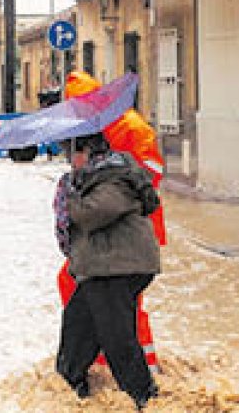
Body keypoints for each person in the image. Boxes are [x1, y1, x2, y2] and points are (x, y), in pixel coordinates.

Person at [60, 71, 166, 370]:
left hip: (128, 225)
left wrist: (112, 174)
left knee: (119, 299)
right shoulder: (92, 130)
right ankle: (96, 356)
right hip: (104, 227)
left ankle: (139, 362)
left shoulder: (129, 127)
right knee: (81, 285)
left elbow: (150, 172)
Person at [54, 132, 161, 408]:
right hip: (99, 267)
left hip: (118, 266)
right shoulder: (94, 177)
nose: (70, 161)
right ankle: (69, 382)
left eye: (72, 154)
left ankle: (144, 396)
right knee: (79, 325)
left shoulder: (115, 176)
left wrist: (69, 194)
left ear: (88, 151)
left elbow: (91, 215)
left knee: (117, 336)